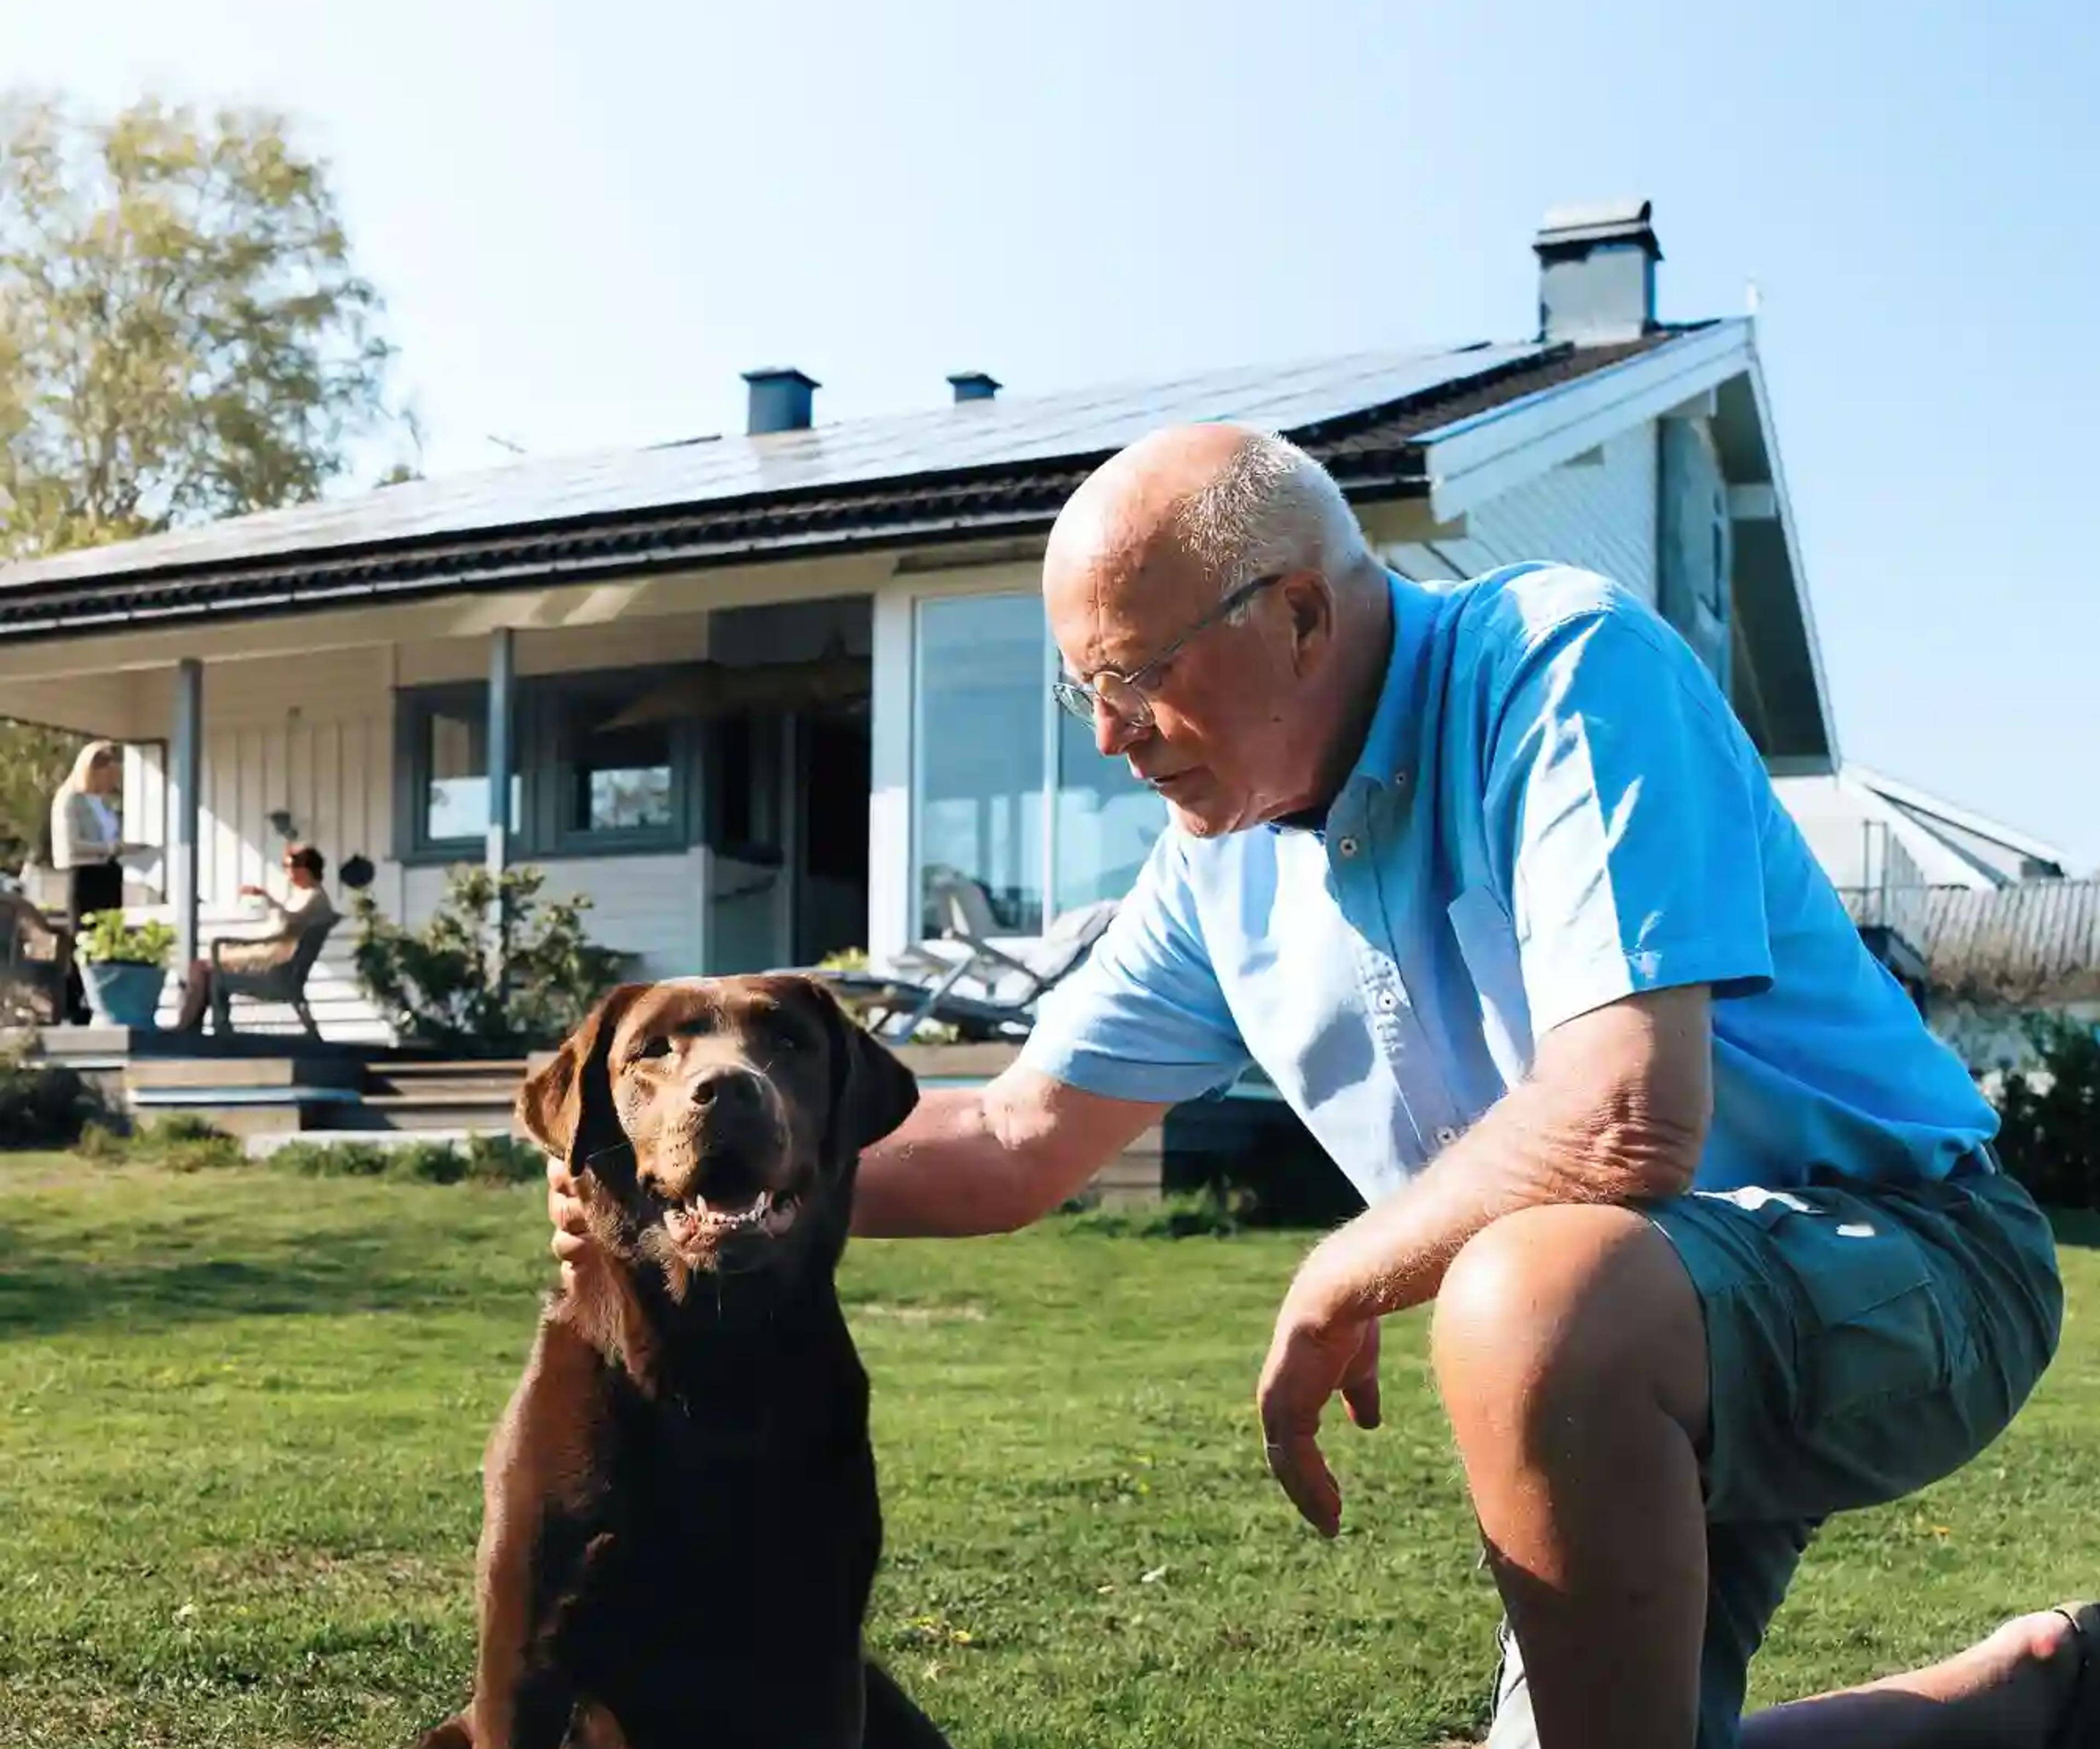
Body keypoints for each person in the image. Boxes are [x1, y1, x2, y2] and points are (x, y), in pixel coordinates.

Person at [549, 425, 2091, 1748]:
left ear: (1294, 611)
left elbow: (1628, 1110)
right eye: (1081, 687)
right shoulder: (1223, 864)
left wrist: (1346, 1263)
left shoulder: (1563, 668)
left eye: (1134, 676)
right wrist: (698, 1199)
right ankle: (2027, 1695)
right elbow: (1014, 1136)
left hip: (1912, 1256)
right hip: (1637, 1321)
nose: (1107, 737)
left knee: (1528, 1291)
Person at [171, 843, 337, 1034]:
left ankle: (194, 1028)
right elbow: (288, 923)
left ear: (304, 868)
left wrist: (268, 899)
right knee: (205, 968)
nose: (287, 871)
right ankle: (193, 1027)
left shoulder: (314, 898)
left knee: (204, 969)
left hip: (274, 965)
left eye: (288, 866)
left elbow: (289, 923)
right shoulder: (307, 896)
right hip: (276, 960)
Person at [48, 739, 135, 1023]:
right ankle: (74, 1005)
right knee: (84, 940)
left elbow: (107, 838)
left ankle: (104, 1000)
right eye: (107, 774)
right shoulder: (70, 798)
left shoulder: (103, 802)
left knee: (109, 941)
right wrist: (109, 849)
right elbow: (70, 844)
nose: (111, 781)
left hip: (108, 873)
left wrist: (126, 848)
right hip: (85, 875)